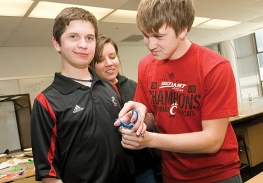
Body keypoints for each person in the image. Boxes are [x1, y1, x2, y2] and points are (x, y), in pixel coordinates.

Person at [114, 0, 242, 182]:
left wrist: (149, 140)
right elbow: (152, 119)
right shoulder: (146, 65)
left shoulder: (215, 67)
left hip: (217, 175)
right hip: (172, 175)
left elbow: (212, 141)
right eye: (145, 35)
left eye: (158, 37)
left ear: (183, 29)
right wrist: (139, 117)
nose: (150, 45)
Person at [30, 7, 133, 183]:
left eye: (89, 38)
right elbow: (48, 171)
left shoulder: (109, 87)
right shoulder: (46, 102)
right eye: (73, 36)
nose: (83, 44)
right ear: (57, 44)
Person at [89, 34, 161, 183]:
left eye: (112, 56)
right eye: (101, 60)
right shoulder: (90, 95)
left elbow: (151, 123)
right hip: (114, 172)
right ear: (92, 64)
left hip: (143, 167)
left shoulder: (133, 86)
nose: (109, 63)